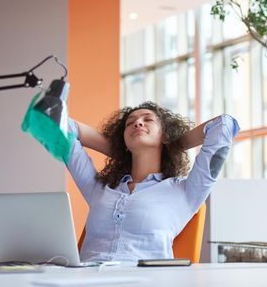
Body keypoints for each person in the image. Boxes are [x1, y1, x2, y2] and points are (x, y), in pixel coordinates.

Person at [64, 101, 239, 263]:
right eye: (130, 123)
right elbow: (63, 127)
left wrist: (172, 146)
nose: (138, 123)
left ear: (165, 135)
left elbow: (223, 125)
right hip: (87, 279)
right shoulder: (100, 189)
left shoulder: (185, 190)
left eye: (148, 120)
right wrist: (120, 151)